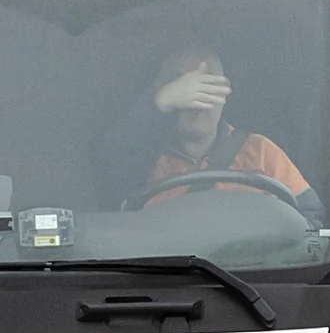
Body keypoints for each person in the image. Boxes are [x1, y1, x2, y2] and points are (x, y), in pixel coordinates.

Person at [112, 44, 311, 212]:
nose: (195, 100)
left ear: (226, 90)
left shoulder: (261, 152)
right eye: (183, 86)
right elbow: (111, 159)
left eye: (208, 85)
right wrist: (158, 103)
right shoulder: (141, 156)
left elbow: (312, 222)